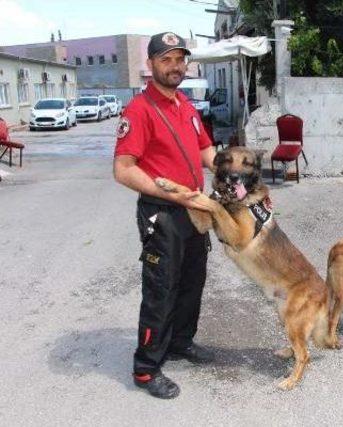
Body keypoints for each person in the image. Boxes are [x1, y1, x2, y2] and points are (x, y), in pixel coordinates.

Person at [113, 32, 216, 399]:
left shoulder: (185, 104)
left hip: (195, 212)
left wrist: (236, 175)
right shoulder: (139, 111)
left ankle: (180, 343)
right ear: (151, 64)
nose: (175, 66)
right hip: (163, 214)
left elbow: (205, 149)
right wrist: (172, 192)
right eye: (166, 59)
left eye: (179, 59)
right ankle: (146, 368)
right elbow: (124, 170)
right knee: (161, 290)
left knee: (192, 282)